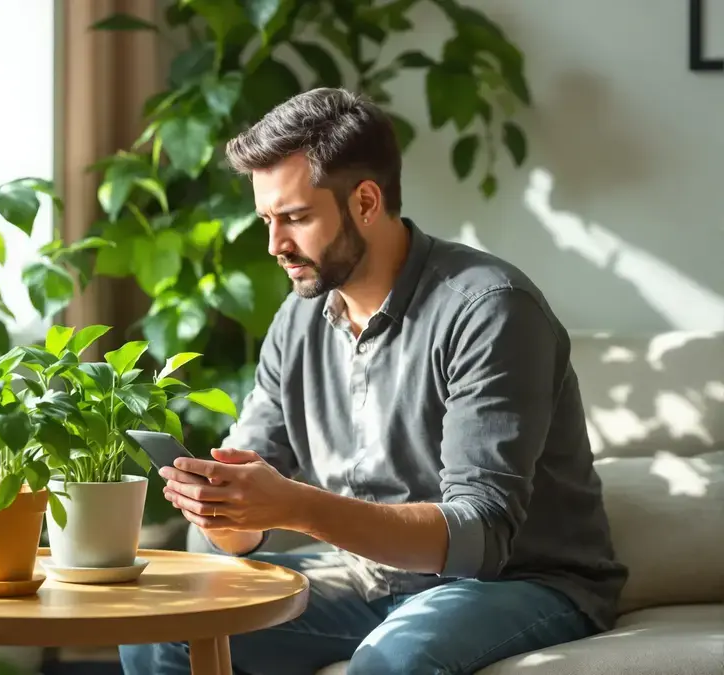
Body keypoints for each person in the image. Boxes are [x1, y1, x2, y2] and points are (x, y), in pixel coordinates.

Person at [119, 88, 628, 675]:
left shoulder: (489, 309)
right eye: (267, 219)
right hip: (362, 572)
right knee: (159, 631)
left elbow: (480, 537)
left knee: (394, 661)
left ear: (365, 201)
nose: (275, 246)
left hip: (519, 581)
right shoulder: (298, 319)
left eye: (296, 218)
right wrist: (225, 512)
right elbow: (245, 511)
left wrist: (295, 506)